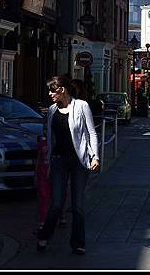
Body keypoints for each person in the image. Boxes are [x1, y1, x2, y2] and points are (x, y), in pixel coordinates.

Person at [37, 76, 100, 255]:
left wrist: (95, 156)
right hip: (58, 160)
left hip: (79, 161)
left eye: (52, 90)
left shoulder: (81, 106)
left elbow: (92, 133)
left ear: (62, 89)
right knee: (56, 203)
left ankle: (78, 243)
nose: (50, 94)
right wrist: (48, 160)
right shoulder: (51, 110)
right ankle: (44, 236)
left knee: (78, 205)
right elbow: (50, 136)